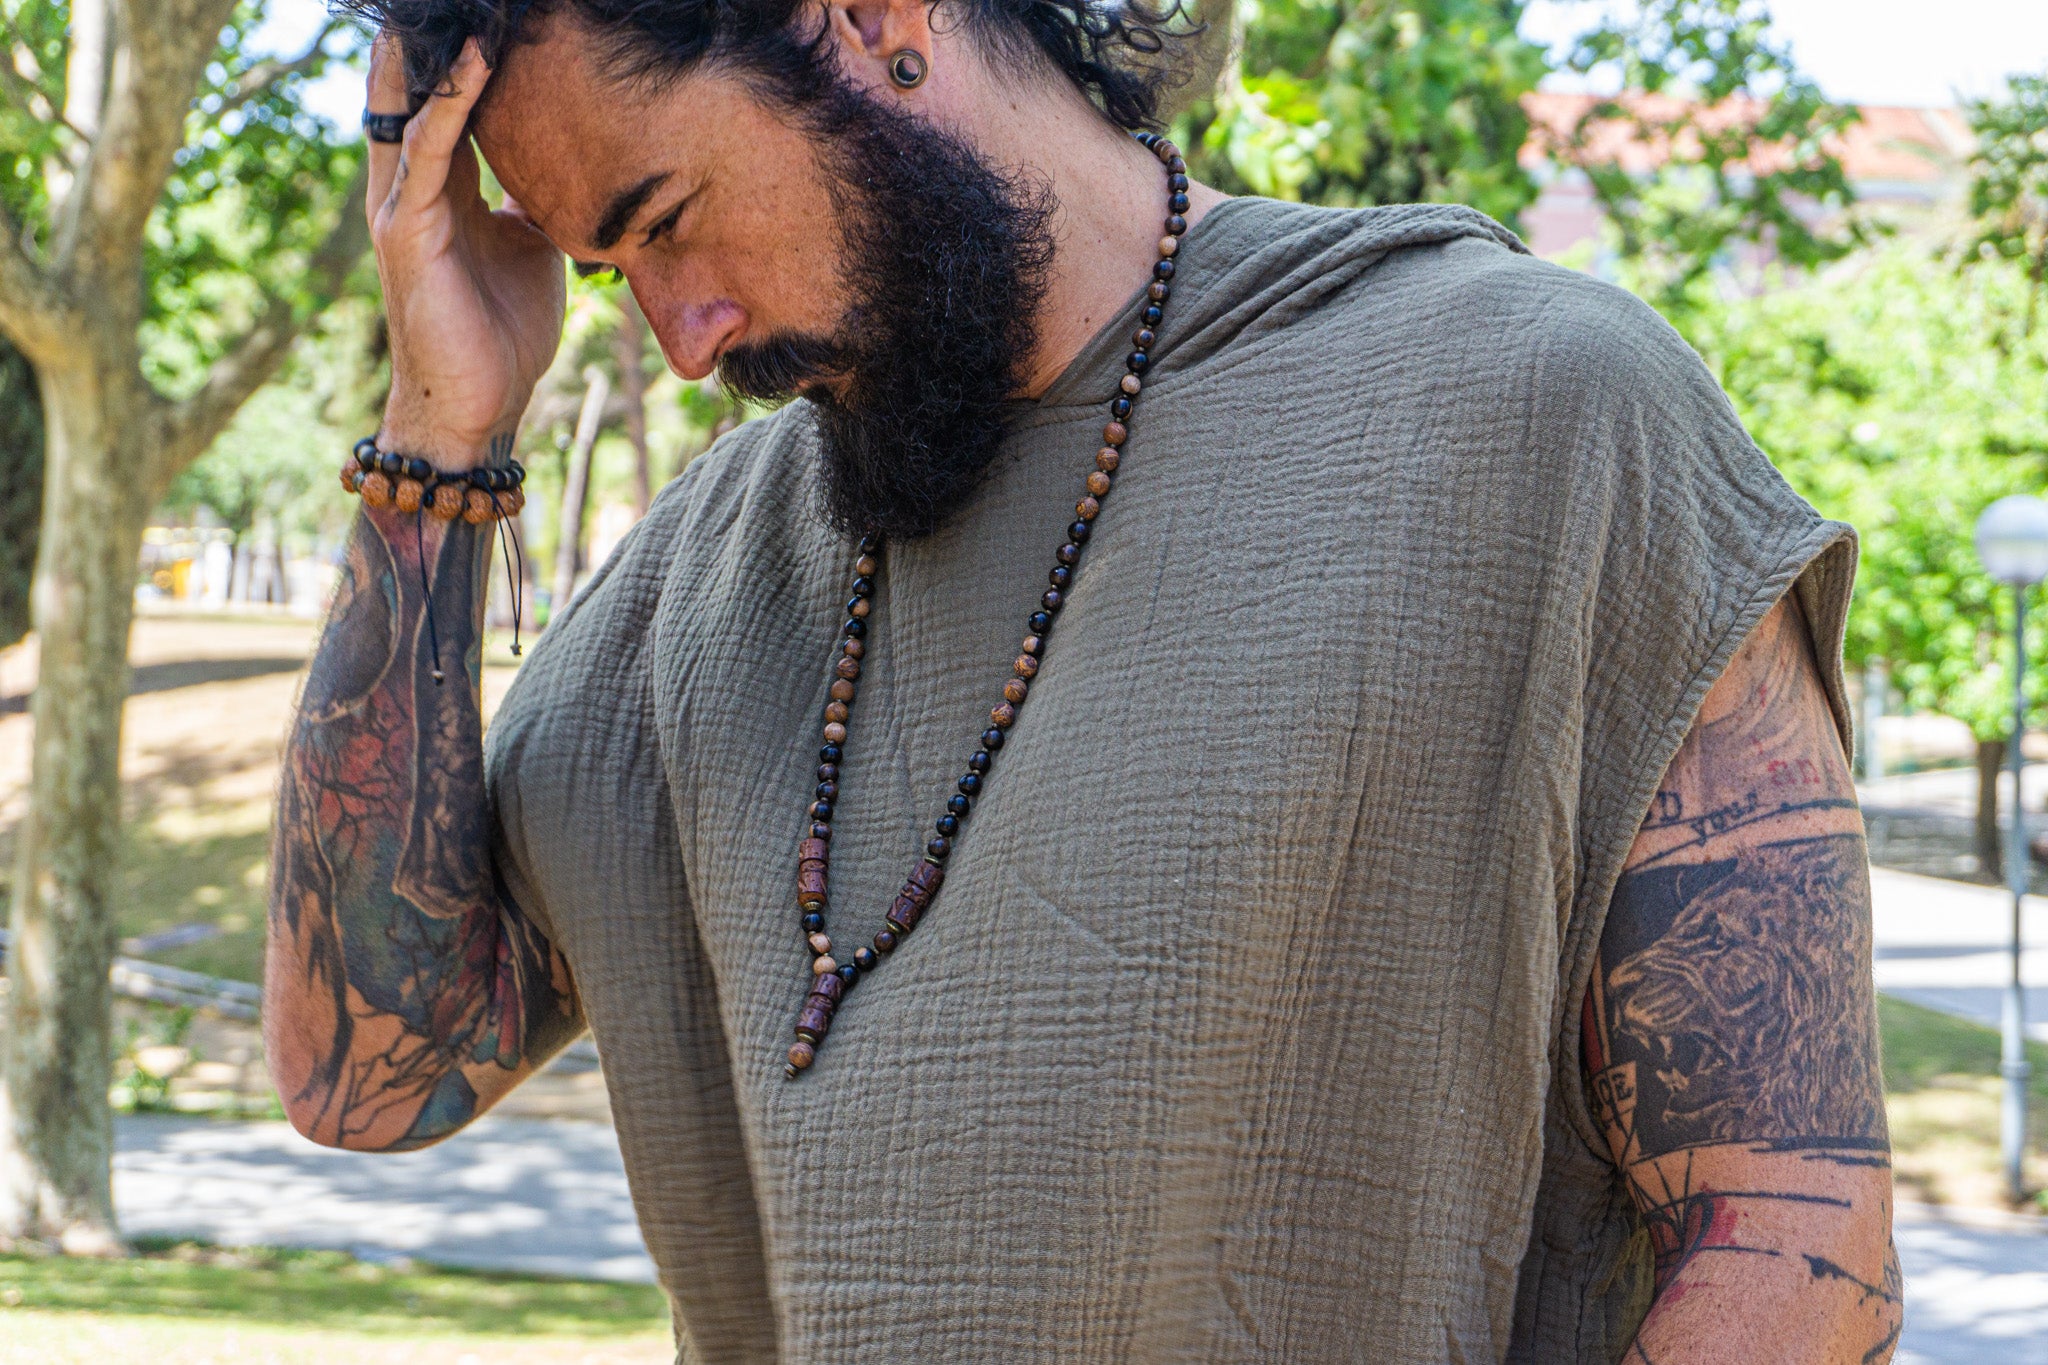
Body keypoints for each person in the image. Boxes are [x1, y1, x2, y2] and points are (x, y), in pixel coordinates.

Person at [262, 2, 1901, 1359]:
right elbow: (362, 1073)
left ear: (872, 22)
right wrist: (438, 432)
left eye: (665, 220)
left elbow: (1801, 1243)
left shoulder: (1542, 418)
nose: (682, 340)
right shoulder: (704, 571)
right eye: (614, 274)